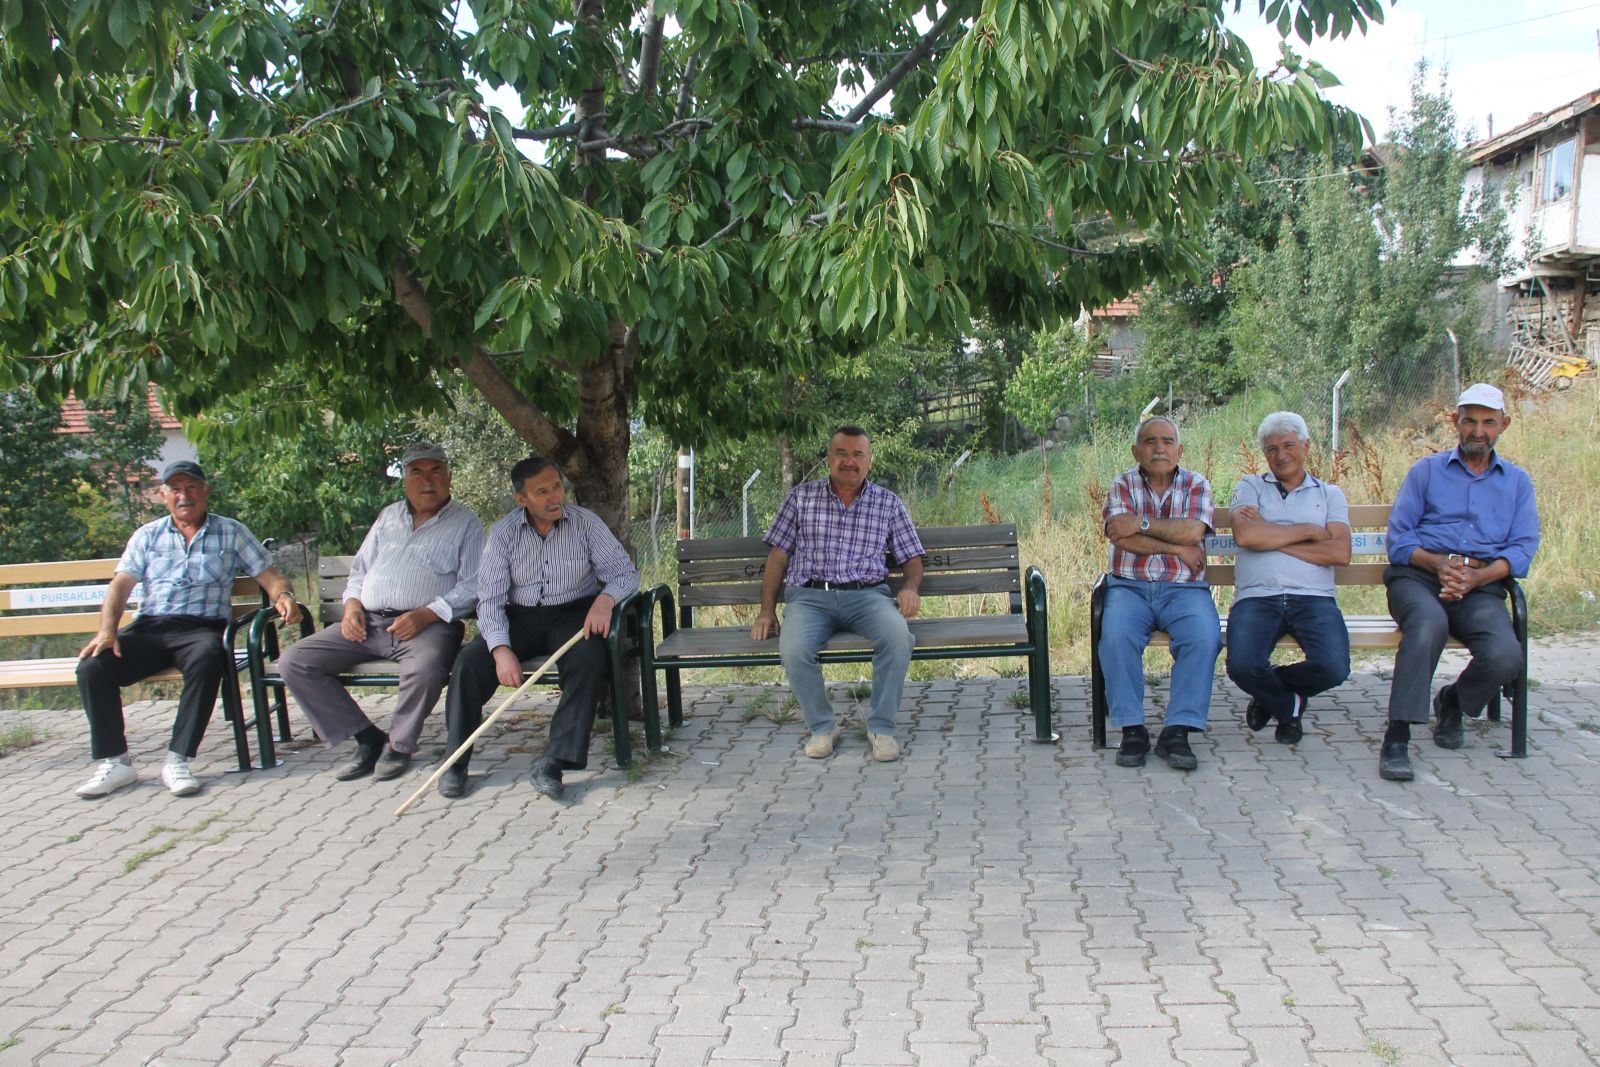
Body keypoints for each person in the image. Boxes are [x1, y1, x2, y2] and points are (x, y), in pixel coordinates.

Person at [75, 460, 301, 798]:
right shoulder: (147, 535)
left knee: (209, 657)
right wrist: (107, 632)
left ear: (205, 491)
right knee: (93, 666)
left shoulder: (231, 531)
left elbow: (270, 576)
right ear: (163, 495)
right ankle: (116, 762)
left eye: (192, 488)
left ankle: (177, 760)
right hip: (150, 627)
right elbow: (119, 587)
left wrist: (283, 595)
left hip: (202, 629)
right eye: (176, 489)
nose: (185, 495)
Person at [276, 443, 483, 782]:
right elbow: (359, 570)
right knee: (295, 662)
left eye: (435, 471)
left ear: (449, 477)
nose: (427, 480)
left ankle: (399, 747)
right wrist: (352, 605)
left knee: (428, 669)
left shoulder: (465, 522)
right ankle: (367, 738)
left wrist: (427, 614)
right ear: (405, 479)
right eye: (417, 472)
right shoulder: (388, 516)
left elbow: (473, 585)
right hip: (369, 623)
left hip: (427, 627)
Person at [440, 457, 639, 801]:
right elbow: (489, 599)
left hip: (573, 614)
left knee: (589, 659)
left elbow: (625, 573)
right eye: (542, 491)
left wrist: (605, 601)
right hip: (520, 618)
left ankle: (554, 761)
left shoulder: (585, 523)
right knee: (469, 665)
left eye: (557, 486)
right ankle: (455, 761)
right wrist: (501, 650)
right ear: (522, 499)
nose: (554, 497)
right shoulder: (503, 533)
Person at [1378, 383, 1539, 782]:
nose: (1478, 431)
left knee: (1505, 654)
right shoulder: (1426, 471)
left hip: (1480, 585)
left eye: (1488, 422)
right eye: (1469, 421)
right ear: (1456, 422)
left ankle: (1453, 702)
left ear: (1504, 425)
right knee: (1428, 624)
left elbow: (1522, 548)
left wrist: (1477, 577)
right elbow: (1399, 539)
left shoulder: (1517, 482)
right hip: (1419, 578)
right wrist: (1440, 566)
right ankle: (1397, 736)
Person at [752, 425, 924, 762]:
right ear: (829, 458)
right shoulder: (801, 498)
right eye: (842, 453)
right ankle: (822, 727)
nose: (849, 461)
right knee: (794, 648)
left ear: (869, 461)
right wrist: (766, 610)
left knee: (898, 637)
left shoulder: (887, 503)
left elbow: (912, 559)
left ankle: (882, 727)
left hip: (868, 597)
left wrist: (909, 587)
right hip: (810, 598)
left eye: (857, 454)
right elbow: (778, 557)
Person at [1099, 416, 1220, 771]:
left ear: (1180, 450)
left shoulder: (1197, 485)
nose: (1159, 448)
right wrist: (1178, 549)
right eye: (1150, 441)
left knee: (1204, 636)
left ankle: (1177, 731)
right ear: (1137, 451)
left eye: (1167, 441)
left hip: (1183, 589)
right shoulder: (1122, 484)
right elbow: (1121, 536)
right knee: (1116, 636)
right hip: (1128, 586)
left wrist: (1143, 523)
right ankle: (1133, 730)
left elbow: (1193, 530)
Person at [1225, 412, 1352, 745]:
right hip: (1257, 596)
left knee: (1334, 667)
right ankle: (1289, 705)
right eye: (1271, 449)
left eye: (1288, 446)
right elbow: (1245, 536)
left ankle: (1272, 689)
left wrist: (1273, 535)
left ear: (1306, 447)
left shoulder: (1329, 495)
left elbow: (1340, 553)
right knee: (1242, 665)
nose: (1280, 455)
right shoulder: (1250, 486)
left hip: (1314, 597)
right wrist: (1310, 532)